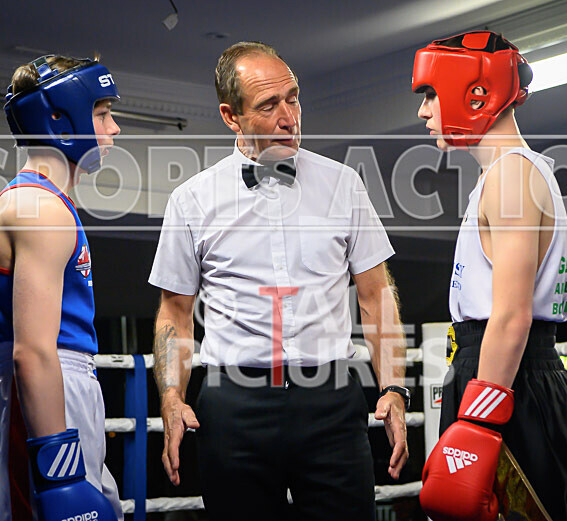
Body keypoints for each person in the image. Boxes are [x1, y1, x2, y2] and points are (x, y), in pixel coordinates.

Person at [149, 41, 409, 521]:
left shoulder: (343, 184)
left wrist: (394, 387)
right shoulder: (192, 200)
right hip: (233, 405)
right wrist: (170, 396)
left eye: (293, 97)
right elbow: (175, 312)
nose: (289, 116)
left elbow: (376, 294)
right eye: (269, 106)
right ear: (232, 116)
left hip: (332, 401)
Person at [413, 32, 567, 521]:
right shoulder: (504, 175)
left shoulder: (512, 176)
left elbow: (511, 315)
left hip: (510, 380)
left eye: (429, 94)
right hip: (508, 376)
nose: (424, 112)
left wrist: (477, 424)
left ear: (474, 92)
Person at [0, 55, 123, 521]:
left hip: (60, 389)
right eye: (101, 113)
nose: (114, 129)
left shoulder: (47, 204)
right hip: (40, 393)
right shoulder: (40, 208)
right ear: (59, 118)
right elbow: (33, 352)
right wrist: (60, 478)